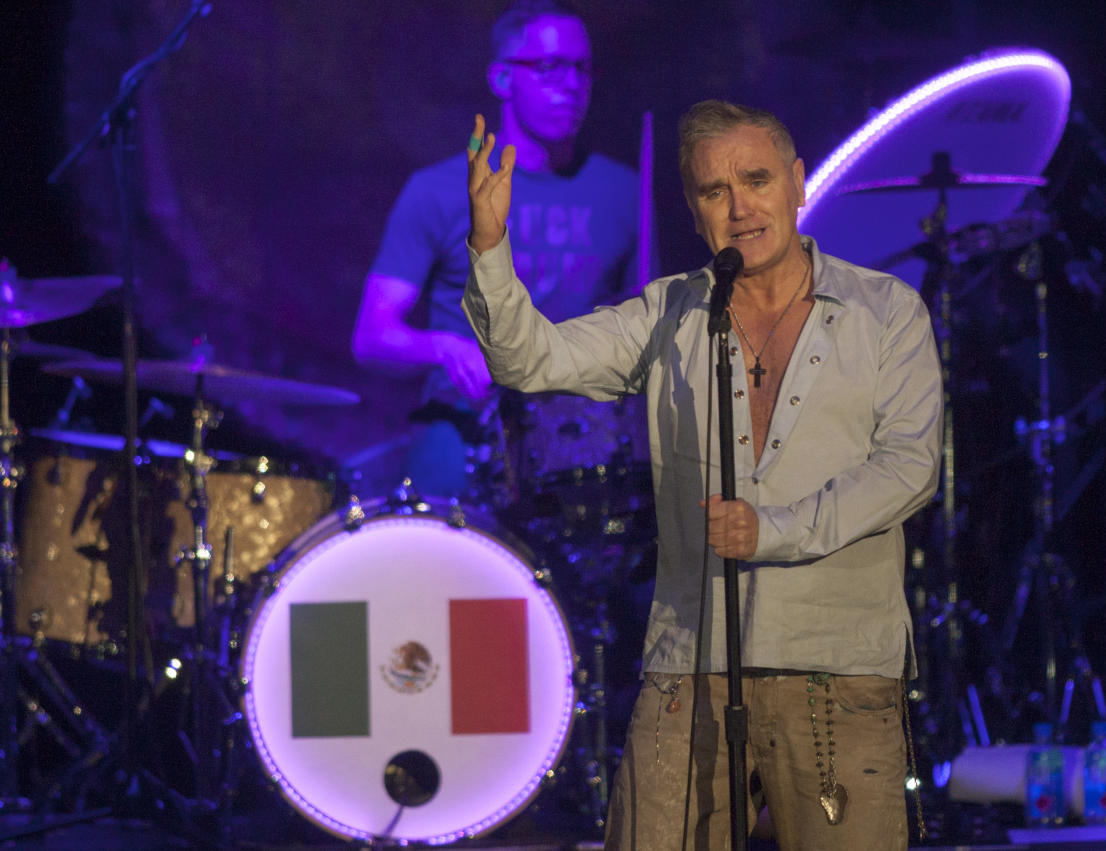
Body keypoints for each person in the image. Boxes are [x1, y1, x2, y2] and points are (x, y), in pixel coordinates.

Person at [463, 100, 944, 849]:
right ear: (693, 211)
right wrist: (491, 245)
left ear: (797, 182)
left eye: (755, 180)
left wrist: (772, 530)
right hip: (691, 667)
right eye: (714, 191)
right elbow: (529, 358)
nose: (740, 207)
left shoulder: (887, 313)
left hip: (838, 670)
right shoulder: (670, 313)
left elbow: (910, 466)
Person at [351, 0, 643, 498]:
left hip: (581, 446)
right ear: (504, 79)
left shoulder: (624, 192)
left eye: (582, 69)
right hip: (466, 435)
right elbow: (373, 335)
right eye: (550, 67)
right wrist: (444, 348)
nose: (571, 84)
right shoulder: (438, 191)